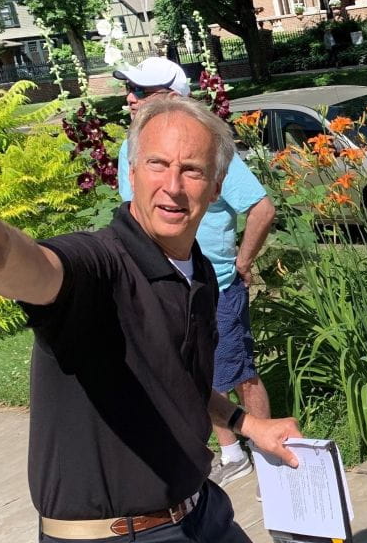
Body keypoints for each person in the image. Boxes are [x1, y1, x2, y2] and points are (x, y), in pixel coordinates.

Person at [0, 95, 301, 542]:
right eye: (157, 164)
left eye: (192, 169)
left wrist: (249, 425)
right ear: (130, 173)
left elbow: (179, 383)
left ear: (216, 187)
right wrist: (1, 249)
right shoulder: (102, 263)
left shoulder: (200, 271)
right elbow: (46, 270)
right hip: (117, 534)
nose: (172, 185)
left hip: (202, 513)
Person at [115, 58, 277, 487]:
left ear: (172, 95)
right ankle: (230, 454)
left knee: (235, 372)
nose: (130, 97)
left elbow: (262, 207)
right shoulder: (129, 151)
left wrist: (242, 262)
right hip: (160, 290)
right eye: (129, 89)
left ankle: (268, 464)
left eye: (141, 90)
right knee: (194, 375)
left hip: (216, 286)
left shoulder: (207, 148)